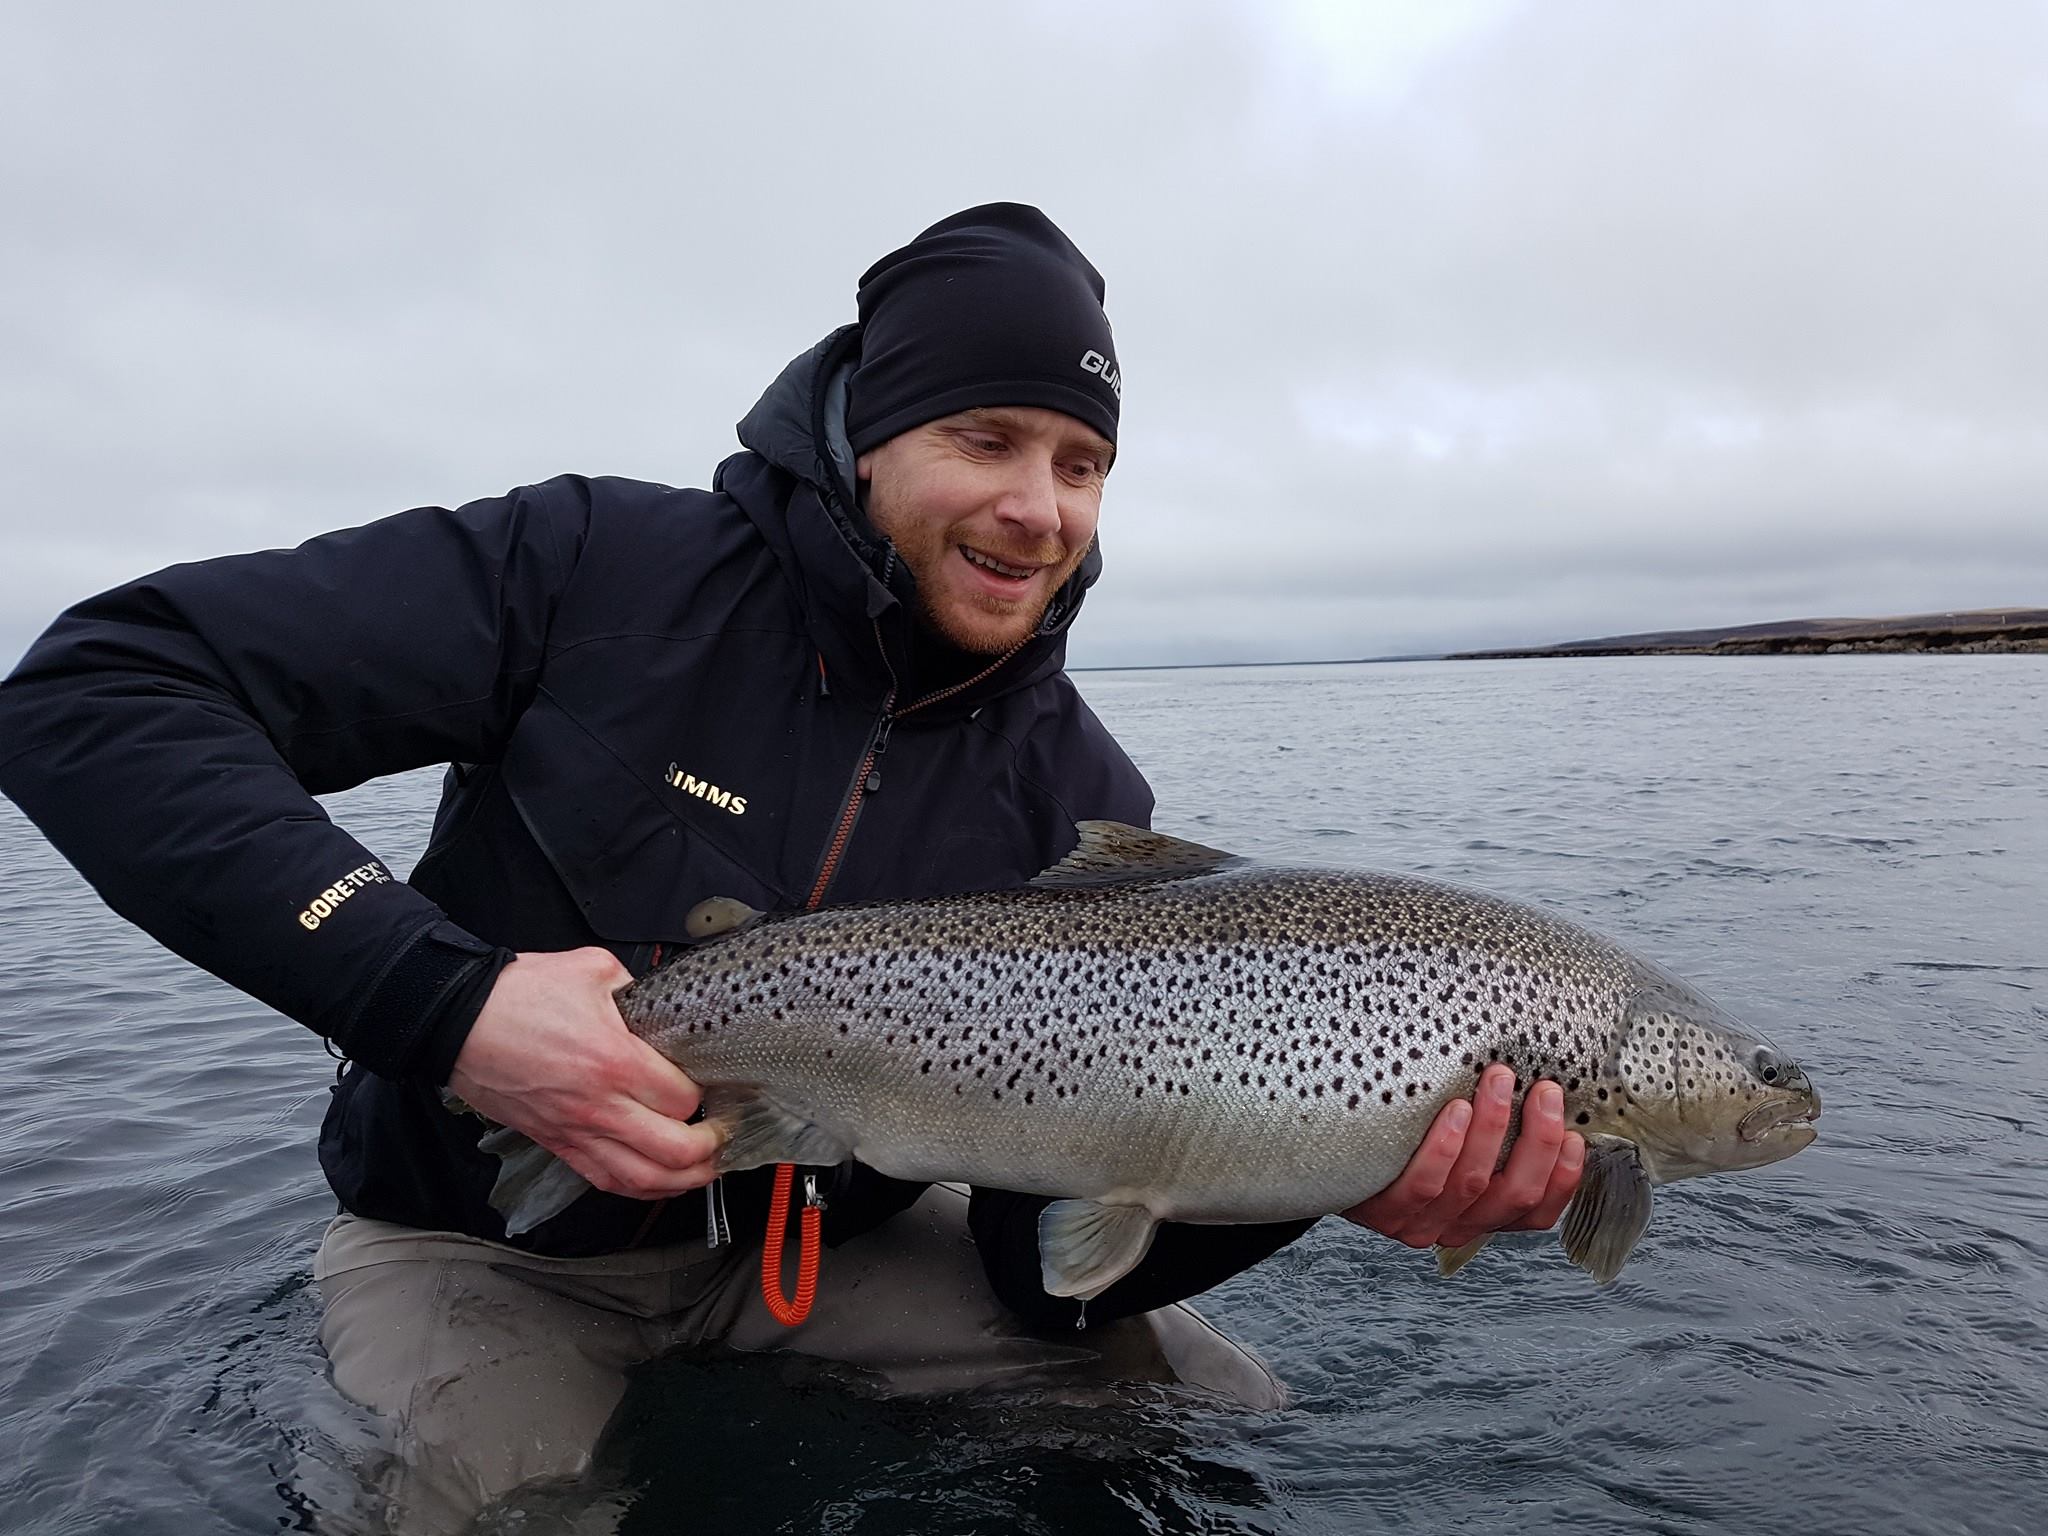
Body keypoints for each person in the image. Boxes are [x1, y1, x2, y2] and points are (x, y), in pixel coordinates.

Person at [0, 204, 1583, 1526]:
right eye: (989, 438)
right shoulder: (589, 569)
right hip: (480, 1243)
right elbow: (101, 692)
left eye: (1083, 464)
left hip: (827, 1249)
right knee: (484, 1504)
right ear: (867, 434)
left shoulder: (1087, 793)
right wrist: (447, 1002)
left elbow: (1048, 1281)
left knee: (1210, 1417)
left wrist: (1325, 1177)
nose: (1041, 510)